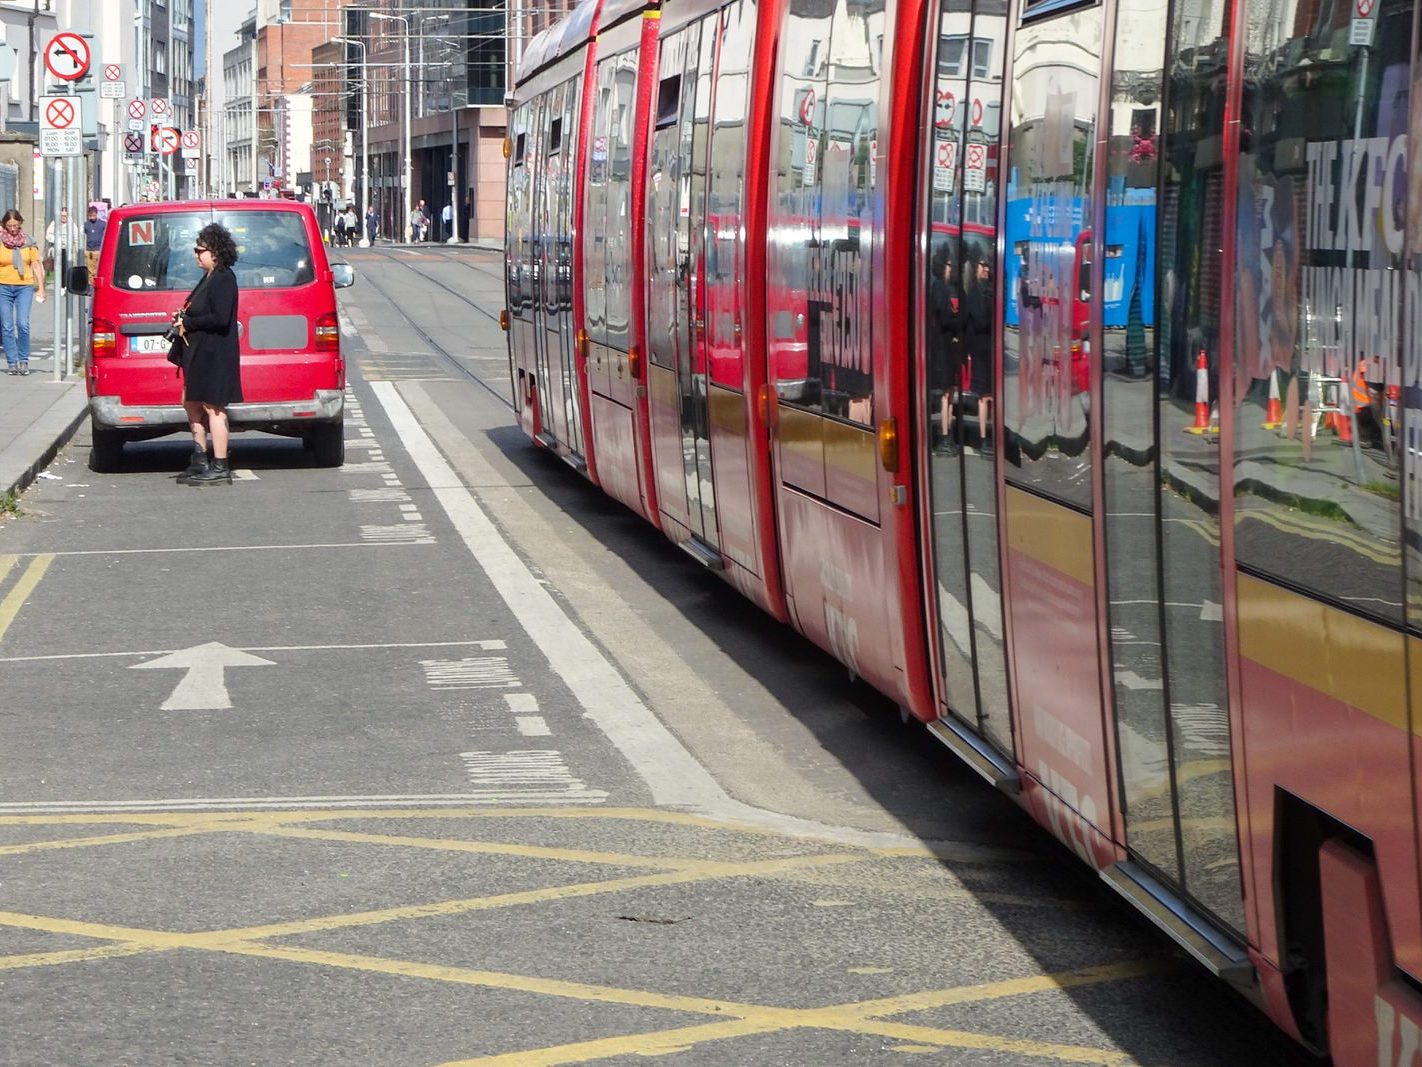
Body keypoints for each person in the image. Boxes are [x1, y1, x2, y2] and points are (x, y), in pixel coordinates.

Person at [172, 222, 241, 486]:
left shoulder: (224, 278)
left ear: (215, 252)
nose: (195, 255)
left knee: (214, 408)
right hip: (200, 352)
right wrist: (184, 317)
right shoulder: (209, 277)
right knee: (191, 402)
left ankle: (220, 465)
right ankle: (200, 457)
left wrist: (189, 323)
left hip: (216, 354)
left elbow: (221, 318)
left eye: (199, 250)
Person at [927, 244, 964, 454]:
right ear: (942, 266)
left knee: (951, 392)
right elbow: (942, 315)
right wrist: (955, 319)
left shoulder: (950, 288)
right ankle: (944, 435)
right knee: (944, 394)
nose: (951, 268)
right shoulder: (939, 287)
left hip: (950, 347)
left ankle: (948, 431)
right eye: (949, 265)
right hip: (942, 347)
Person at [0, 210, 45, 376]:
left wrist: (41, 288)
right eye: (9, 225)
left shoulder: (28, 241)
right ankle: (12, 362)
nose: (12, 229)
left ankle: (23, 360)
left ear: (20, 223)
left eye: (15, 225)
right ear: (4, 224)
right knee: (6, 326)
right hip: (3, 286)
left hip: (24, 286)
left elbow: (35, 265)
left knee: (22, 323)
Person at [964, 258, 995, 452]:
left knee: (993, 396)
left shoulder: (991, 290)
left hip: (992, 349)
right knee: (983, 397)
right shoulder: (973, 293)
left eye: (987, 266)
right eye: (983, 266)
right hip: (980, 351)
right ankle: (984, 438)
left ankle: (992, 435)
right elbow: (980, 321)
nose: (986, 269)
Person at [84, 206, 106, 275]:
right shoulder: (86, 224)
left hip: (99, 250)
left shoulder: (103, 224)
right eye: (91, 216)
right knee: (90, 270)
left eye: (94, 215)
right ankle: (91, 284)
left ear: (96, 214)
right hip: (89, 250)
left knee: (100, 269)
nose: (92, 217)